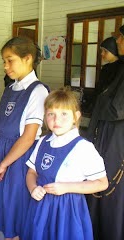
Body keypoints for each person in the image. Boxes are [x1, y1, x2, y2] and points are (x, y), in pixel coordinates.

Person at [0, 37, 49, 240]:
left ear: (28, 58)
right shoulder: (10, 89)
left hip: (19, 161)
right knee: (4, 214)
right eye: (4, 61)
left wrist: (2, 165)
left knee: (16, 213)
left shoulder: (38, 91)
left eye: (10, 60)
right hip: (0, 157)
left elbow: (28, 138)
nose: (5, 66)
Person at [22, 88, 108, 240]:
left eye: (64, 114)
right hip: (40, 207)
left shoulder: (83, 148)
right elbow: (31, 172)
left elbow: (102, 183)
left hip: (67, 210)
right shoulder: (43, 142)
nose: (56, 120)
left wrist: (66, 187)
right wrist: (32, 188)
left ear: (76, 116)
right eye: (51, 114)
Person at [86, 24, 124, 240]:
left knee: (111, 190)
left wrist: (100, 101)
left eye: (120, 37)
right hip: (107, 135)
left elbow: (116, 108)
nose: (118, 41)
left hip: (116, 141)